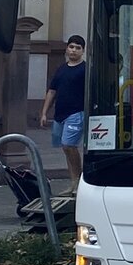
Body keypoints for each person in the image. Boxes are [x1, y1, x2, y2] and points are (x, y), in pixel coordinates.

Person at [40, 35, 86, 197]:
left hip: (77, 113)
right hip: (60, 114)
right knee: (65, 149)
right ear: (67, 48)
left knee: (69, 145)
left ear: (82, 51)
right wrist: (44, 112)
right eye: (71, 47)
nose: (73, 50)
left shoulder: (85, 69)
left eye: (77, 48)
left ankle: (79, 180)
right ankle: (73, 182)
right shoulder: (61, 69)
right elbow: (52, 91)